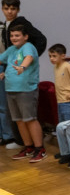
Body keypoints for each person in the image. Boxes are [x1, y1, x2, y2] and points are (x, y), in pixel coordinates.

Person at [0, 24, 44, 161]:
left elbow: (29, 57)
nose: (14, 38)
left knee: (30, 119)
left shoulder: (28, 47)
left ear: (25, 36)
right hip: (11, 89)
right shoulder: (12, 49)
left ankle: (39, 148)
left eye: (17, 35)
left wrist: (22, 67)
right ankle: (28, 147)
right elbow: (1, 59)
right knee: (19, 121)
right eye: (12, 35)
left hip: (26, 90)